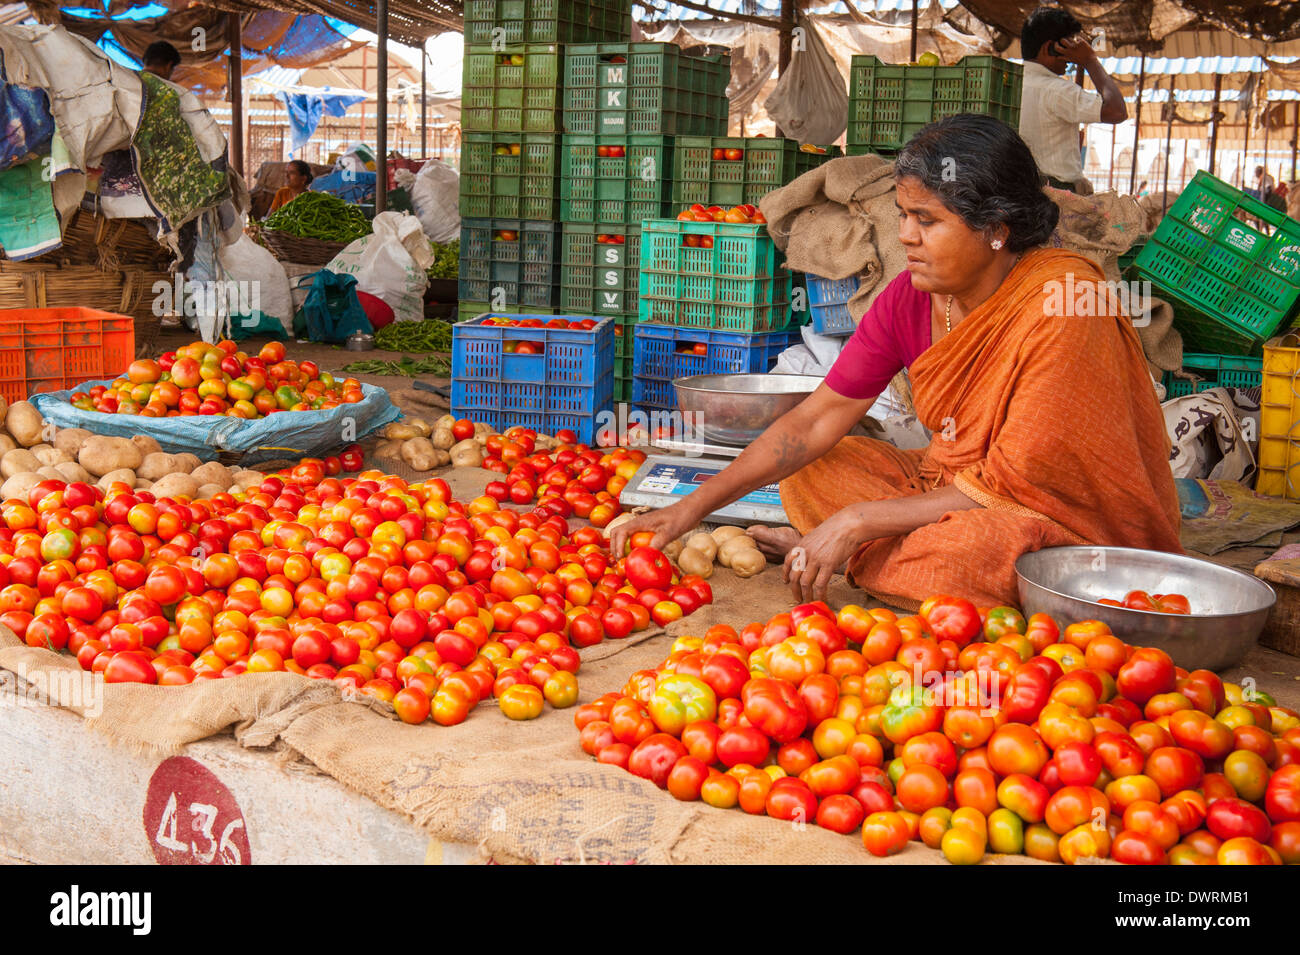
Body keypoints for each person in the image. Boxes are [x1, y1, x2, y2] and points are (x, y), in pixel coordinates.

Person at [610, 114, 1181, 609]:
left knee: (965, 554)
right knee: (814, 468)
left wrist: (858, 522)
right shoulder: (911, 294)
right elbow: (816, 418)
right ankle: (877, 556)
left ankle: (865, 556)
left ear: (996, 231)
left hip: (1051, 521)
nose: (905, 236)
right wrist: (688, 509)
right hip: (951, 490)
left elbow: (1020, 487)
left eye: (927, 221)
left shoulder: (1061, 307)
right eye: (903, 215)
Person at [1018, 7, 1126, 194]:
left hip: (1021, 192)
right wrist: (1090, 60)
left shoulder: (1008, 84)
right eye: (1070, 45)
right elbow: (1117, 111)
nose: (1072, 56)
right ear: (1049, 48)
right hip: (1057, 197)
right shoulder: (1057, 90)